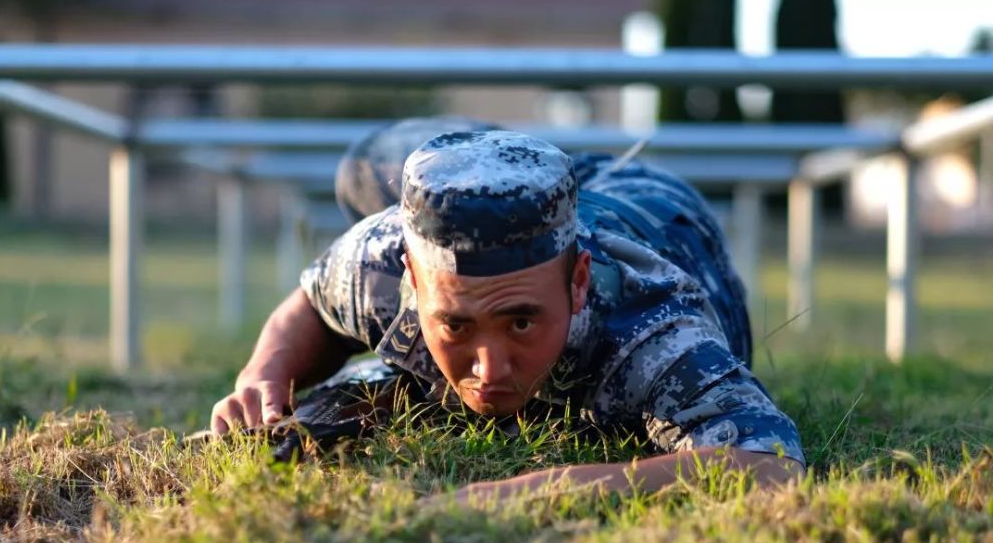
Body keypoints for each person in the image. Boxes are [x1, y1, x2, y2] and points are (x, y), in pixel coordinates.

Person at [210, 121, 805, 503]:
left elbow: (772, 465)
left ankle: (527, 166)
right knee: (361, 167)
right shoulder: (379, 260)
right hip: (532, 206)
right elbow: (314, 302)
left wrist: (528, 491)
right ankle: (499, 156)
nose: (490, 369)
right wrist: (265, 374)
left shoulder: (650, 321)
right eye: (456, 325)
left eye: (521, 322)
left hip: (652, 203)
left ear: (575, 286)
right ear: (413, 284)